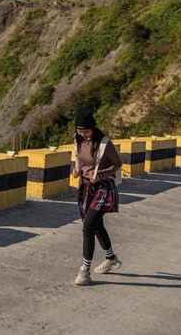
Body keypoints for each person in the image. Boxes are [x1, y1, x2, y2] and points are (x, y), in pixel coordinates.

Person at [71, 106, 122, 286]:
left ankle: (84, 271)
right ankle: (111, 259)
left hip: (104, 187)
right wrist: (77, 171)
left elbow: (117, 163)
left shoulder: (104, 143)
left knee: (88, 227)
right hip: (86, 187)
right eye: (81, 131)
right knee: (97, 225)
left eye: (87, 131)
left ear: (93, 127)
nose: (85, 134)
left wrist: (101, 174)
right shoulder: (77, 141)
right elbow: (80, 161)